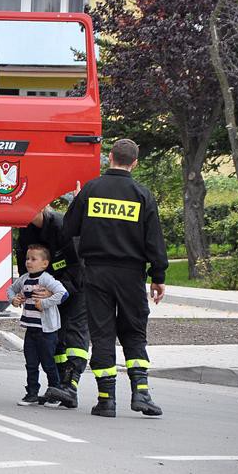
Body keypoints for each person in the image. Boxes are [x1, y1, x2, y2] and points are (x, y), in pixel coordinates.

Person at [63, 138, 168, 418]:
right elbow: (154, 240)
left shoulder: (91, 189)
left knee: (102, 333)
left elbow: (68, 228)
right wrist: (158, 276)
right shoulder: (142, 194)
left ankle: (106, 400)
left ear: (110, 157)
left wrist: (76, 203)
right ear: (135, 162)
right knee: (134, 331)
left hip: (96, 272)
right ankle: (141, 393)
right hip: (131, 275)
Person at [16, 205, 89, 408]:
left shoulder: (63, 227)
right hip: (49, 292)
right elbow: (25, 267)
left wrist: (56, 290)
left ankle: (70, 385)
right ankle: (57, 387)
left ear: (41, 207)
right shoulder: (26, 230)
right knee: (54, 338)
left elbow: (78, 267)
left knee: (74, 335)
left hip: (77, 286)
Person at [7, 245, 68, 406]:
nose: (28, 262)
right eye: (27, 258)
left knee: (48, 362)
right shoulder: (24, 279)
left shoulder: (46, 279)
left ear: (44, 263)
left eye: (34, 259)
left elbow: (63, 293)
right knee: (31, 363)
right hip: (30, 329)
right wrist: (13, 300)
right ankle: (32, 393)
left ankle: (55, 392)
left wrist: (45, 303)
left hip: (46, 331)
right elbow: (11, 290)